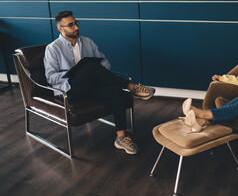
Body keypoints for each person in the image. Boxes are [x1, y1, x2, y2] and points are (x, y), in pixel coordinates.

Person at [44, 10, 155, 154]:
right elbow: (50, 77)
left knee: (115, 90)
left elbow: (105, 63)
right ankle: (131, 87)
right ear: (60, 29)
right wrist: (76, 73)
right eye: (71, 25)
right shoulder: (52, 48)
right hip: (71, 90)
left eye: (76, 23)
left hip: (91, 86)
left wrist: (91, 73)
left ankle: (121, 137)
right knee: (89, 66)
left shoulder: (88, 42)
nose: (76, 27)